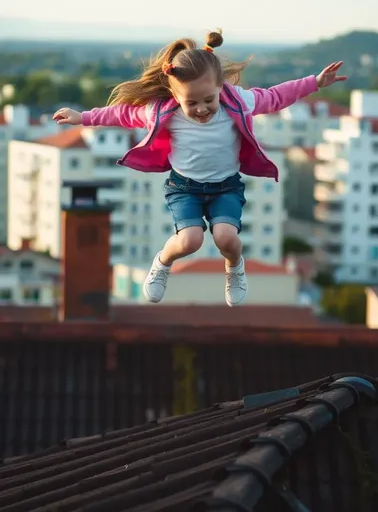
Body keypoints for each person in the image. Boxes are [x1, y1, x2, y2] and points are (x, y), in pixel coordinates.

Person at [53, 29, 347, 306]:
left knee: (226, 238)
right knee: (190, 240)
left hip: (226, 186)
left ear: (220, 87)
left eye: (209, 99)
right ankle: (162, 263)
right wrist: (84, 117)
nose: (202, 108)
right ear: (175, 96)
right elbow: (124, 114)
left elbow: (274, 97)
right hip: (184, 188)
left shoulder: (239, 101)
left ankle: (234, 269)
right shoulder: (162, 111)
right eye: (191, 102)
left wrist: (314, 83)